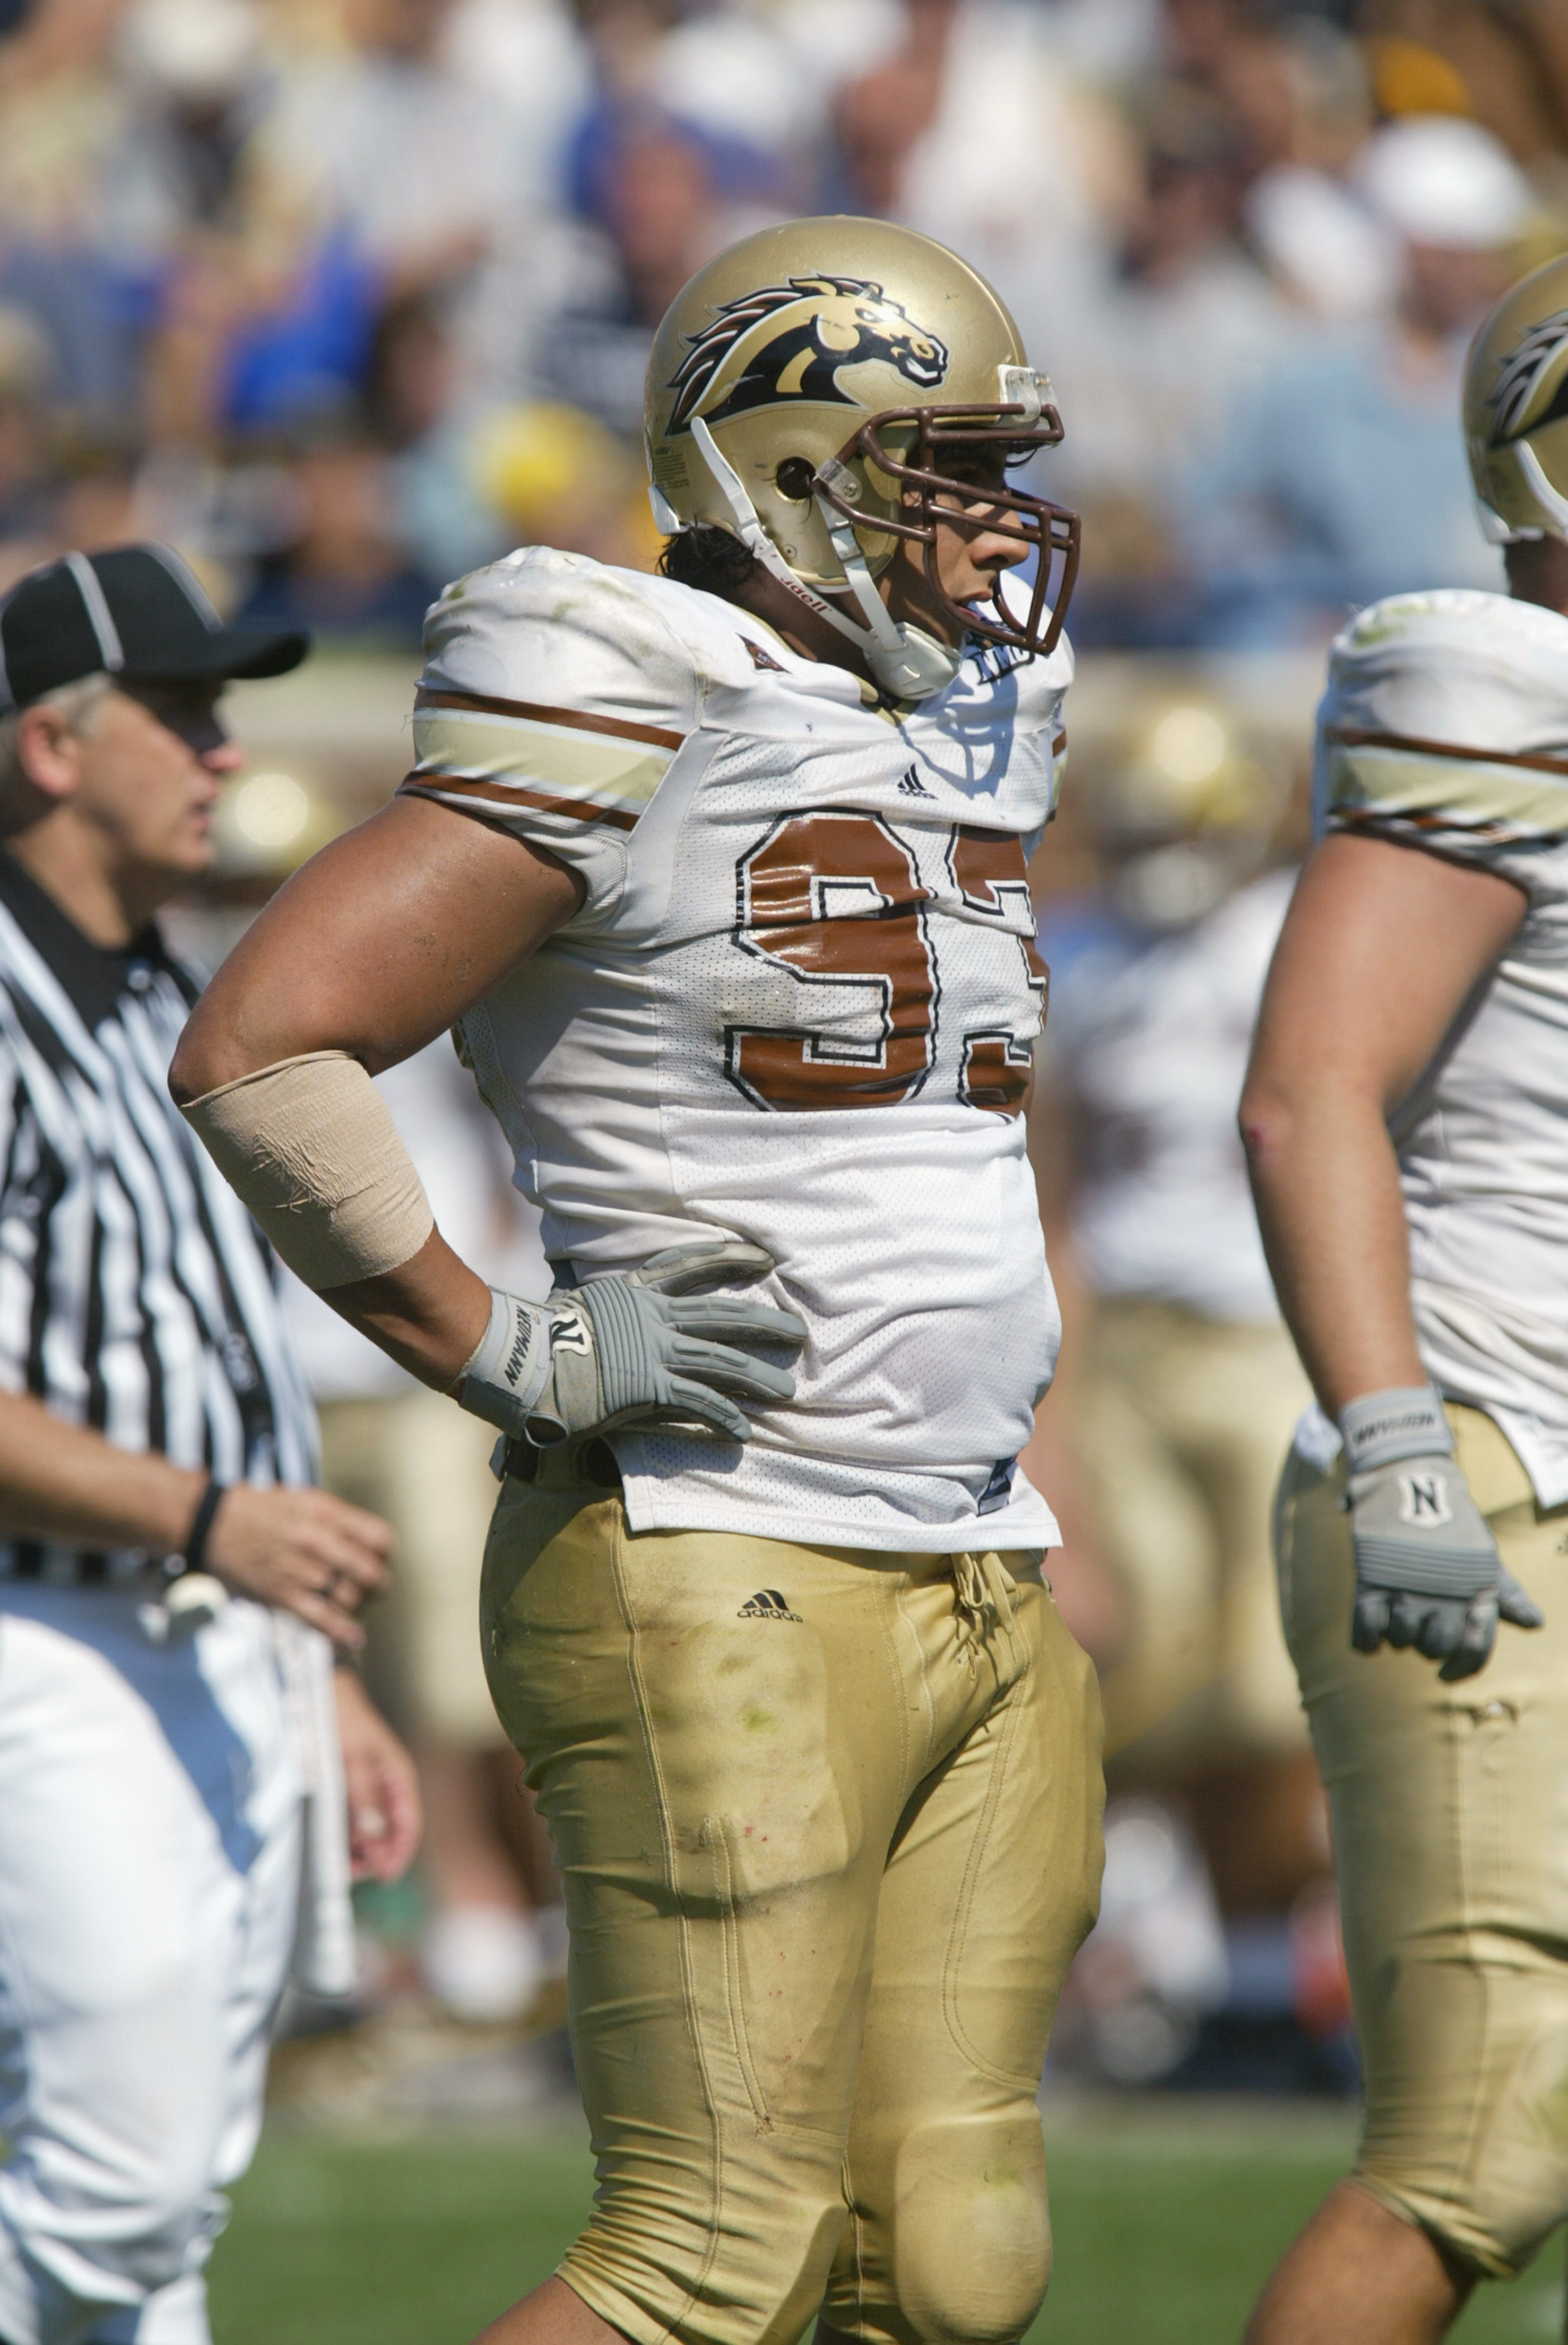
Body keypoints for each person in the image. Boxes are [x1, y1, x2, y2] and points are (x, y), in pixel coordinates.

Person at [172, 217, 1104, 2345]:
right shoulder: (624, 679)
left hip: (972, 1543)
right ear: (797, 468)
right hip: (714, 1544)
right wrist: (502, 1345)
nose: (997, 521)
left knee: (950, 2272)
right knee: (709, 2266)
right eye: (944, 463)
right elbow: (261, 1043)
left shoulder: (960, 721)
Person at [0, 542, 420, 2345]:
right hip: (50, 1629)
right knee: (123, 2177)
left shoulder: (177, 999)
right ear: (51, 747)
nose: (220, 751)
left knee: (178, 2217)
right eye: (176, 713)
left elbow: (233, 1345)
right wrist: (201, 1517)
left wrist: (317, 1662)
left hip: (218, 1632)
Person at [1238, 252, 1568, 2341]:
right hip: (1493, 1452)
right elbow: (1308, 1094)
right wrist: (1395, 1440)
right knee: (1480, 2150)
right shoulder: (1500, 688)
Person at [1037, 695, 1317, 1929]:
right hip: (1131, 1336)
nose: (1159, 866)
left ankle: (1256, 1945)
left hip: (1272, 1336)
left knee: (1272, 1683)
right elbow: (1057, 1185)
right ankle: (1200, 1956)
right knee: (1143, 1662)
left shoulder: (1291, 939)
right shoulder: (1085, 958)